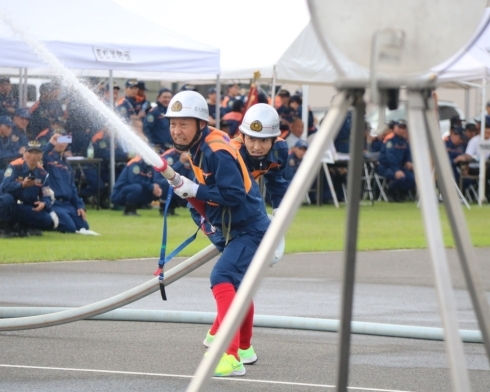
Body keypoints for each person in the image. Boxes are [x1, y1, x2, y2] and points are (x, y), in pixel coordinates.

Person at [164, 90, 270, 377]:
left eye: (183, 123)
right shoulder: (205, 143)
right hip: (235, 226)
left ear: (200, 123)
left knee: (222, 277)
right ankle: (244, 348)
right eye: (173, 123)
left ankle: (231, 355)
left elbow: (233, 194)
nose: (177, 129)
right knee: (237, 284)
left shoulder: (214, 151)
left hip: (249, 228)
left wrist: (195, 189)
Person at [232, 103, 289, 209]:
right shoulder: (231, 154)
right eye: (251, 139)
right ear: (242, 137)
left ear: (274, 139)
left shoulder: (280, 150)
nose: (257, 147)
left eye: (264, 140)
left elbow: (276, 181)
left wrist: (278, 209)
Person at [0, 141, 58, 237]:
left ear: (41, 155)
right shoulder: (14, 166)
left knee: (48, 220)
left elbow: (47, 194)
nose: (33, 156)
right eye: (30, 152)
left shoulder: (43, 173)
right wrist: (22, 185)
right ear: (24, 154)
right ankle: (3, 228)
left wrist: (44, 203)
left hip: (26, 206)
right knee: (7, 199)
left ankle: (22, 227)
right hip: (10, 205)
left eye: (36, 153)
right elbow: (5, 186)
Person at [42, 133, 94, 234]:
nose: (61, 144)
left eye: (64, 141)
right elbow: (39, 157)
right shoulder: (48, 160)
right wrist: (50, 144)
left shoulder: (66, 164)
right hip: (54, 203)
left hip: (67, 204)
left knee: (83, 226)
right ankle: (44, 220)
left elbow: (72, 188)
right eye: (58, 140)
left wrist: (80, 206)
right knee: (69, 227)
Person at [376, 119, 415, 201]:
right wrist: (396, 170)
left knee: (412, 179)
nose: (402, 129)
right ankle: (390, 192)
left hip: (400, 167)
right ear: (395, 128)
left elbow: (408, 153)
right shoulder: (390, 139)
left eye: (404, 127)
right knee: (401, 177)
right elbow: (390, 157)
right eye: (400, 127)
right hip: (386, 167)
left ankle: (401, 193)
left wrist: (409, 161)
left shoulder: (404, 141)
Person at [155, 148, 194, 215]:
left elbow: (191, 175)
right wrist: (181, 162)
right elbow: (167, 174)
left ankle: (174, 205)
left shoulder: (189, 155)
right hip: (161, 183)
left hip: (180, 183)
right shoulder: (167, 155)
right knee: (167, 183)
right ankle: (164, 207)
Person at [0, 115, 26, 183]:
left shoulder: (7, 138)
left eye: (11, 127)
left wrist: (21, 151)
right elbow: (2, 155)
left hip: (5, 165)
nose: (10, 130)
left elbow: (15, 149)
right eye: (8, 127)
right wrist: (18, 153)